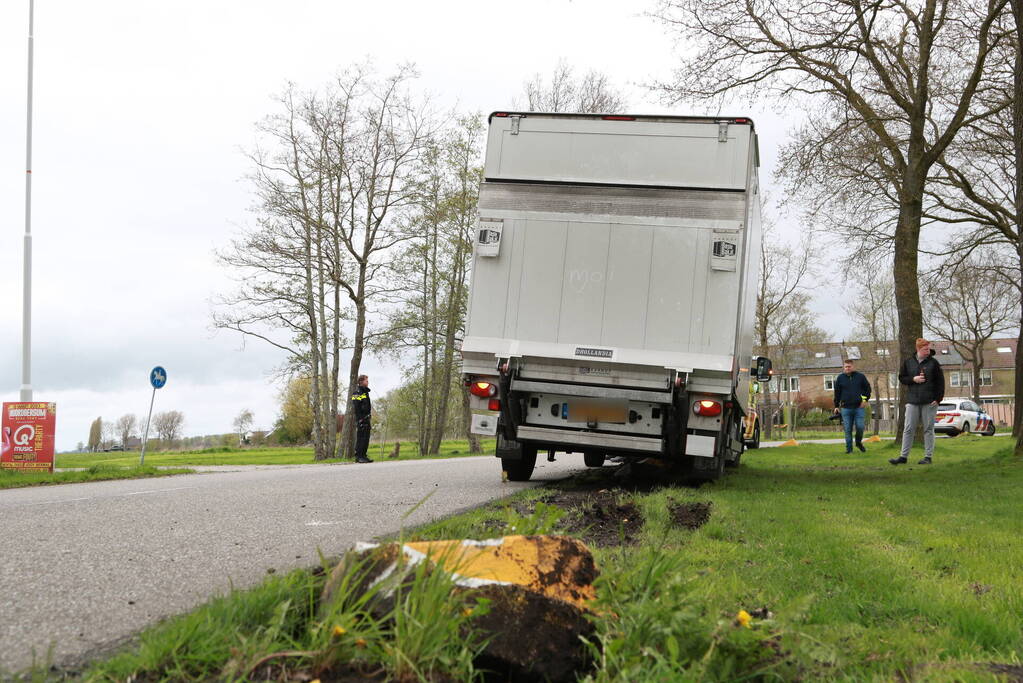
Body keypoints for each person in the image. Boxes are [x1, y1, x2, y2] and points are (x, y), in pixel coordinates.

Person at [891, 338, 945, 465]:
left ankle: (928, 457)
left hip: (929, 401)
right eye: (925, 349)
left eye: (928, 348)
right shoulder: (908, 362)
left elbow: (940, 382)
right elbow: (902, 378)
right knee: (908, 428)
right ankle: (903, 457)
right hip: (912, 400)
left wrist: (938, 399)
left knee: (928, 429)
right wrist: (913, 379)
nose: (928, 351)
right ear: (918, 349)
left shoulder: (934, 363)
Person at [833, 358, 872, 453]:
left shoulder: (860, 377)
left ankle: (858, 443)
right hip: (845, 408)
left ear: (853, 367)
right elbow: (837, 393)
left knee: (860, 427)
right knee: (847, 429)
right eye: (846, 367)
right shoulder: (840, 378)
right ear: (844, 367)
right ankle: (849, 450)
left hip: (859, 407)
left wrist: (865, 400)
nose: (847, 368)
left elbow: (867, 389)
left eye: (849, 366)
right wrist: (836, 406)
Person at [351, 374, 373, 463]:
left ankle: (364, 456)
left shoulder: (365, 392)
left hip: (367, 418)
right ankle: (359, 456)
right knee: (361, 438)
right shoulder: (357, 393)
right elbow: (356, 407)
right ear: (361, 381)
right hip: (361, 419)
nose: (368, 382)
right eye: (366, 380)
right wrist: (360, 418)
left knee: (366, 438)